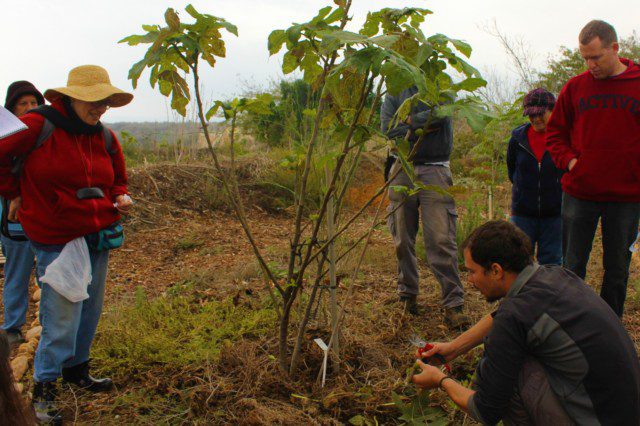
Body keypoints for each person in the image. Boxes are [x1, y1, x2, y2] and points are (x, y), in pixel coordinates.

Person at [0, 65, 134, 423]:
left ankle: (77, 370)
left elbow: (117, 176)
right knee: (61, 316)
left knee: (89, 308)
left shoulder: (103, 135)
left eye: (104, 101)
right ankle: (45, 387)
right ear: (70, 98)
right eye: (93, 101)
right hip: (57, 235)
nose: (100, 108)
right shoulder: (36, 126)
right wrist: (13, 193)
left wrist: (119, 194)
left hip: (98, 233)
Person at [411, 220, 640, 424]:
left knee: (504, 371)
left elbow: (485, 410)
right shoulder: (554, 275)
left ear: (496, 270)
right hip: (624, 410)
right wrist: (453, 349)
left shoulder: (514, 316)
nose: (469, 281)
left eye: (472, 272)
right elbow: (500, 316)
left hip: (597, 417)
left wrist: (441, 380)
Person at [546, 20, 640, 317]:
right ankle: (568, 322)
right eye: (584, 57)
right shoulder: (575, 87)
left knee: (616, 268)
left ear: (614, 48)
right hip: (580, 192)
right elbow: (555, 134)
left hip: (626, 196)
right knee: (572, 266)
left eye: (596, 57)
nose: (590, 64)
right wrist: (572, 162)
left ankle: (609, 327)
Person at [381, 85, 469, 329]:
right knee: (401, 237)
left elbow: (441, 114)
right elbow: (388, 129)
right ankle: (407, 296)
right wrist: (422, 124)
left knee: (440, 239)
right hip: (401, 167)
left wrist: (409, 121)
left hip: (436, 168)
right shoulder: (394, 90)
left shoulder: (440, 82)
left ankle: (453, 304)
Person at [1, 81, 45, 347]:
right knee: (17, 273)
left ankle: (47, 322)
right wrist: (13, 195)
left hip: (44, 218)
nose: (30, 108)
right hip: (15, 220)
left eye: (34, 103)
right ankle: (13, 326)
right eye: (23, 104)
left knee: (47, 274)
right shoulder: (6, 137)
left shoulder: (44, 134)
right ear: (12, 109)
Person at [506, 88, 563, 265]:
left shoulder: (563, 136)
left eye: (540, 114)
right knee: (519, 262)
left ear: (552, 110)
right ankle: (524, 294)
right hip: (523, 213)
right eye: (531, 115)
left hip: (555, 214)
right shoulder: (517, 138)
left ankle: (547, 294)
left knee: (551, 263)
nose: (536, 119)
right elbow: (512, 171)